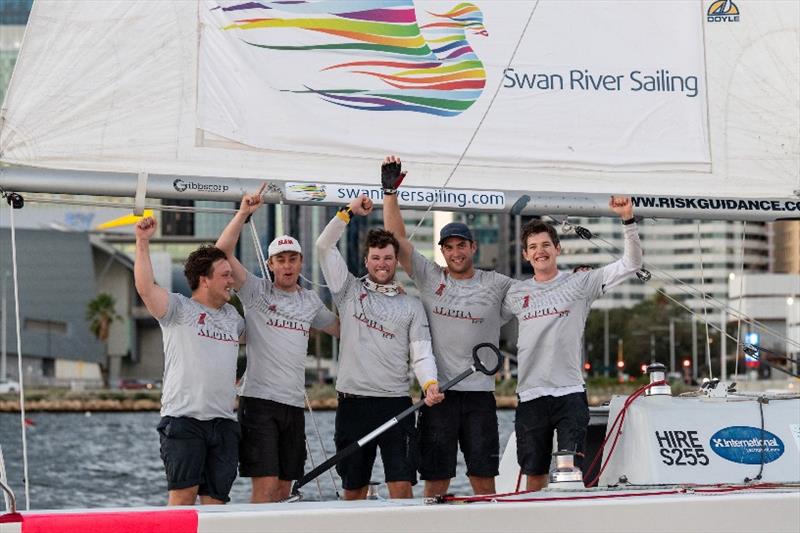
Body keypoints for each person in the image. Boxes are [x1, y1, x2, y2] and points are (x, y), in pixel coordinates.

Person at [381, 156, 513, 497]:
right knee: (436, 480)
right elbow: (395, 238)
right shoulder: (429, 277)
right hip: (438, 395)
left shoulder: (496, 283)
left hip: (480, 396)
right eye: (449, 247)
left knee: (483, 479)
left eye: (461, 246)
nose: (456, 253)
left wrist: (576, 277)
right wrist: (390, 192)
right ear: (442, 251)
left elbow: (537, 292)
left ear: (473, 247)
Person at [503, 197, 642, 491]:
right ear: (526, 255)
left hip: (569, 394)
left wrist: (627, 219)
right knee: (535, 476)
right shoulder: (515, 292)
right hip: (530, 396)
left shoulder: (581, 283)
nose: (539, 251)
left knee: (571, 475)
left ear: (557, 249)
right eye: (533, 247)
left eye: (545, 245)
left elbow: (632, 264)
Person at [215, 187, 340, 503]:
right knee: (266, 488)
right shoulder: (256, 292)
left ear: (301, 262)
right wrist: (243, 213)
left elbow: (342, 329)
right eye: (280, 260)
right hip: (259, 403)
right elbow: (220, 254)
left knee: (285, 491)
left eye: (292, 259)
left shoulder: (311, 301)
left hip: (293, 406)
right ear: (270, 264)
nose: (287, 266)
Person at [316, 195, 444, 500]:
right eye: (375, 258)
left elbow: (422, 353)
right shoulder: (347, 290)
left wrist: (430, 383)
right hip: (353, 404)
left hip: (396, 404)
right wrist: (348, 213)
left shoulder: (412, 306)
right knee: (353, 487)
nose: (382, 263)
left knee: (400, 484)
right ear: (366, 261)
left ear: (396, 260)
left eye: (388, 257)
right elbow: (323, 246)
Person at [134, 216, 244, 505]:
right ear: (204, 280)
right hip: (184, 422)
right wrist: (142, 242)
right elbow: (145, 288)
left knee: (216, 505)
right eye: (225, 275)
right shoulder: (178, 309)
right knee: (182, 500)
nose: (232, 281)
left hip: (223, 423)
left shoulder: (233, 317)